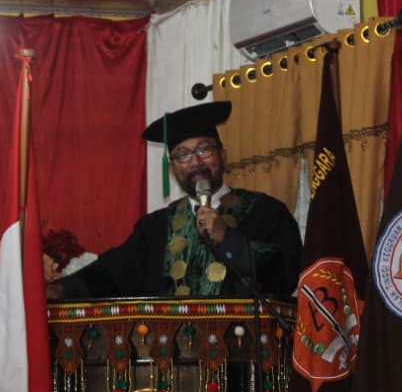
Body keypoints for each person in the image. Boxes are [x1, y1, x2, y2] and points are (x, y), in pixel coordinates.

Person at [52, 100, 302, 299]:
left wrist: (229, 240)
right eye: (182, 154)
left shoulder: (266, 212)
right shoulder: (155, 229)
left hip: (244, 348)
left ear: (223, 155)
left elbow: (287, 273)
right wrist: (59, 290)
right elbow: (112, 274)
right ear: (172, 168)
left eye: (204, 149)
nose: (195, 161)